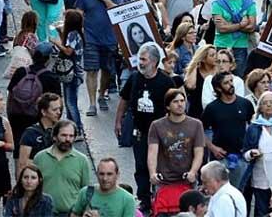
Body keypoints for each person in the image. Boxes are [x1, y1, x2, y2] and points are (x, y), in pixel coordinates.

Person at [115, 43, 177, 214]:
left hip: (161, 135)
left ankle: (161, 199)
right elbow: (124, 99)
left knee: (161, 167)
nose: (140, 62)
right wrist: (118, 121)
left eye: (143, 59)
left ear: (155, 61)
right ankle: (144, 199)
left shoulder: (166, 82)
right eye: (139, 58)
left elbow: (176, 104)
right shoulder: (134, 78)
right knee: (141, 166)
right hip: (140, 133)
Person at [147, 89, 205, 215]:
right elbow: (152, 152)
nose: (180, 104)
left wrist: (193, 172)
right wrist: (152, 173)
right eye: (175, 102)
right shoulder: (157, 125)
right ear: (168, 106)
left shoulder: (196, 124)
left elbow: (199, 152)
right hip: (164, 181)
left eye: (182, 101)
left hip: (187, 181)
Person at [33, 120, 91, 217]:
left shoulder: (82, 160)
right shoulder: (40, 158)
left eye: (71, 136)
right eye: (63, 135)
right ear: (54, 137)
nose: (67, 139)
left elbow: (86, 192)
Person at [68, 158, 136, 217]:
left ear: (117, 175)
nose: (105, 178)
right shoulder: (85, 192)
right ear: (97, 174)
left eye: (109, 174)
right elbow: (74, 214)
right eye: (101, 174)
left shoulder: (128, 200)